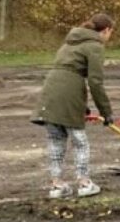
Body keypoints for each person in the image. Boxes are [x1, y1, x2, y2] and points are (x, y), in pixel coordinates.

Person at [34, 13, 115, 199]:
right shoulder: (95, 46)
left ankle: (56, 185)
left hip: (51, 90)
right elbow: (95, 81)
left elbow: (67, 73)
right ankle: (84, 182)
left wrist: (82, 106)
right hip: (69, 92)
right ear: (106, 30)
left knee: (55, 139)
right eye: (111, 32)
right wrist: (106, 112)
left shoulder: (69, 43)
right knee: (80, 141)